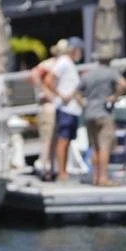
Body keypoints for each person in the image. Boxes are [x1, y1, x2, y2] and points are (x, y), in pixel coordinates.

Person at [78, 51, 126, 186]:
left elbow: (76, 91)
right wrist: (115, 97)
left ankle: (95, 177)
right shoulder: (110, 72)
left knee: (95, 148)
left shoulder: (88, 74)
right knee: (105, 146)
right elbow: (124, 84)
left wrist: (82, 102)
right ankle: (103, 178)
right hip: (104, 114)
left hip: (89, 113)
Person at [46, 36, 85, 182]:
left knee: (67, 141)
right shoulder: (63, 62)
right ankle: (62, 173)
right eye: (80, 50)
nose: (81, 53)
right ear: (74, 50)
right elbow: (49, 80)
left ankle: (63, 171)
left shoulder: (68, 63)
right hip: (66, 109)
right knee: (63, 141)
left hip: (72, 109)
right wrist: (61, 95)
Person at [30, 39, 66, 181]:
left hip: (58, 105)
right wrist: (46, 91)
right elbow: (34, 74)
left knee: (55, 139)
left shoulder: (61, 65)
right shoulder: (49, 64)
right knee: (47, 139)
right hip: (49, 105)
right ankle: (45, 168)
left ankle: (51, 168)